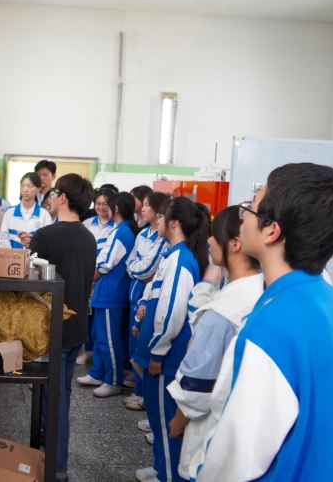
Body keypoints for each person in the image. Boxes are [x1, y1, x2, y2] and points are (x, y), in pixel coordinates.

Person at [190, 163, 333, 482]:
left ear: (271, 230)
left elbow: (235, 459)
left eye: (249, 207)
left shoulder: (272, 327)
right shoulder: (330, 300)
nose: (242, 217)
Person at [161, 206, 264, 480]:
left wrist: (178, 421)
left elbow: (196, 386)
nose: (208, 240)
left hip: (212, 427)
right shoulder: (262, 288)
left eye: (214, 236)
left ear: (235, 244)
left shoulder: (221, 311)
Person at [133, 197, 210, 482]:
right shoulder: (172, 255)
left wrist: (157, 350)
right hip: (161, 354)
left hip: (166, 358)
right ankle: (160, 468)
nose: (157, 221)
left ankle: (169, 476)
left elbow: (173, 313)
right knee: (157, 418)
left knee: (166, 421)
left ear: (174, 223)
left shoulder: (180, 260)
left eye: (161, 217)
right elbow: (158, 298)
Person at [30, 174, 98, 482]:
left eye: (55, 192)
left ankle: (57, 466)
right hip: (77, 329)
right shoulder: (89, 238)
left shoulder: (46, 235)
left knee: (53, 399)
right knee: (61, 394)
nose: (51, 197)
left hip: (51, 329)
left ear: (63, 198)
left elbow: (32, 283)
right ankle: (53, 460)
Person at [76, 192, 138, 398]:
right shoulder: (119, 230)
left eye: (107, 205)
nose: (103, 208)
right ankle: (99, 373)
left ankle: (113, 380)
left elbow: (104, 263)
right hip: (106, 291)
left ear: (116, 208)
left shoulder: (122, 232)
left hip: (112, 292)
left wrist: (88, 281)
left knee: (110, 340)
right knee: (100, 336)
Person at [123, 192, 170, 415]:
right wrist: (137, 270)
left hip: (146, 294)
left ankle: (142, 394)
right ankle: (139, 390)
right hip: (135, 293)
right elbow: (131, 262)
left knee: (142, 345)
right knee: (134, 345)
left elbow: (149, 269)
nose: (143, 208)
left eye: (148, 205)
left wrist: (137, 269)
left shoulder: (163, 239)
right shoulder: (142, 233)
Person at [76, 187, 117, 366]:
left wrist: (95, 277)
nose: (101, 207)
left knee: (98, 318)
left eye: (105, 204)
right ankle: (87, 350)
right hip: (87, 273)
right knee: (86, 314)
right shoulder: (87, 223)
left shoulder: (115, 226)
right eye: (98, 203)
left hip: (103, 275)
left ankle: (96, 354)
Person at [0, 172, 52, 249]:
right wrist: (14, 254)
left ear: (38, 189)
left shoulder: (44, 215)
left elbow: (48, 242)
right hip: (12, 256)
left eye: (29, 186)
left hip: (35, 256)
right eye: (22, 185)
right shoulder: (9, 212)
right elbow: (3, 240)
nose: (25, 190)